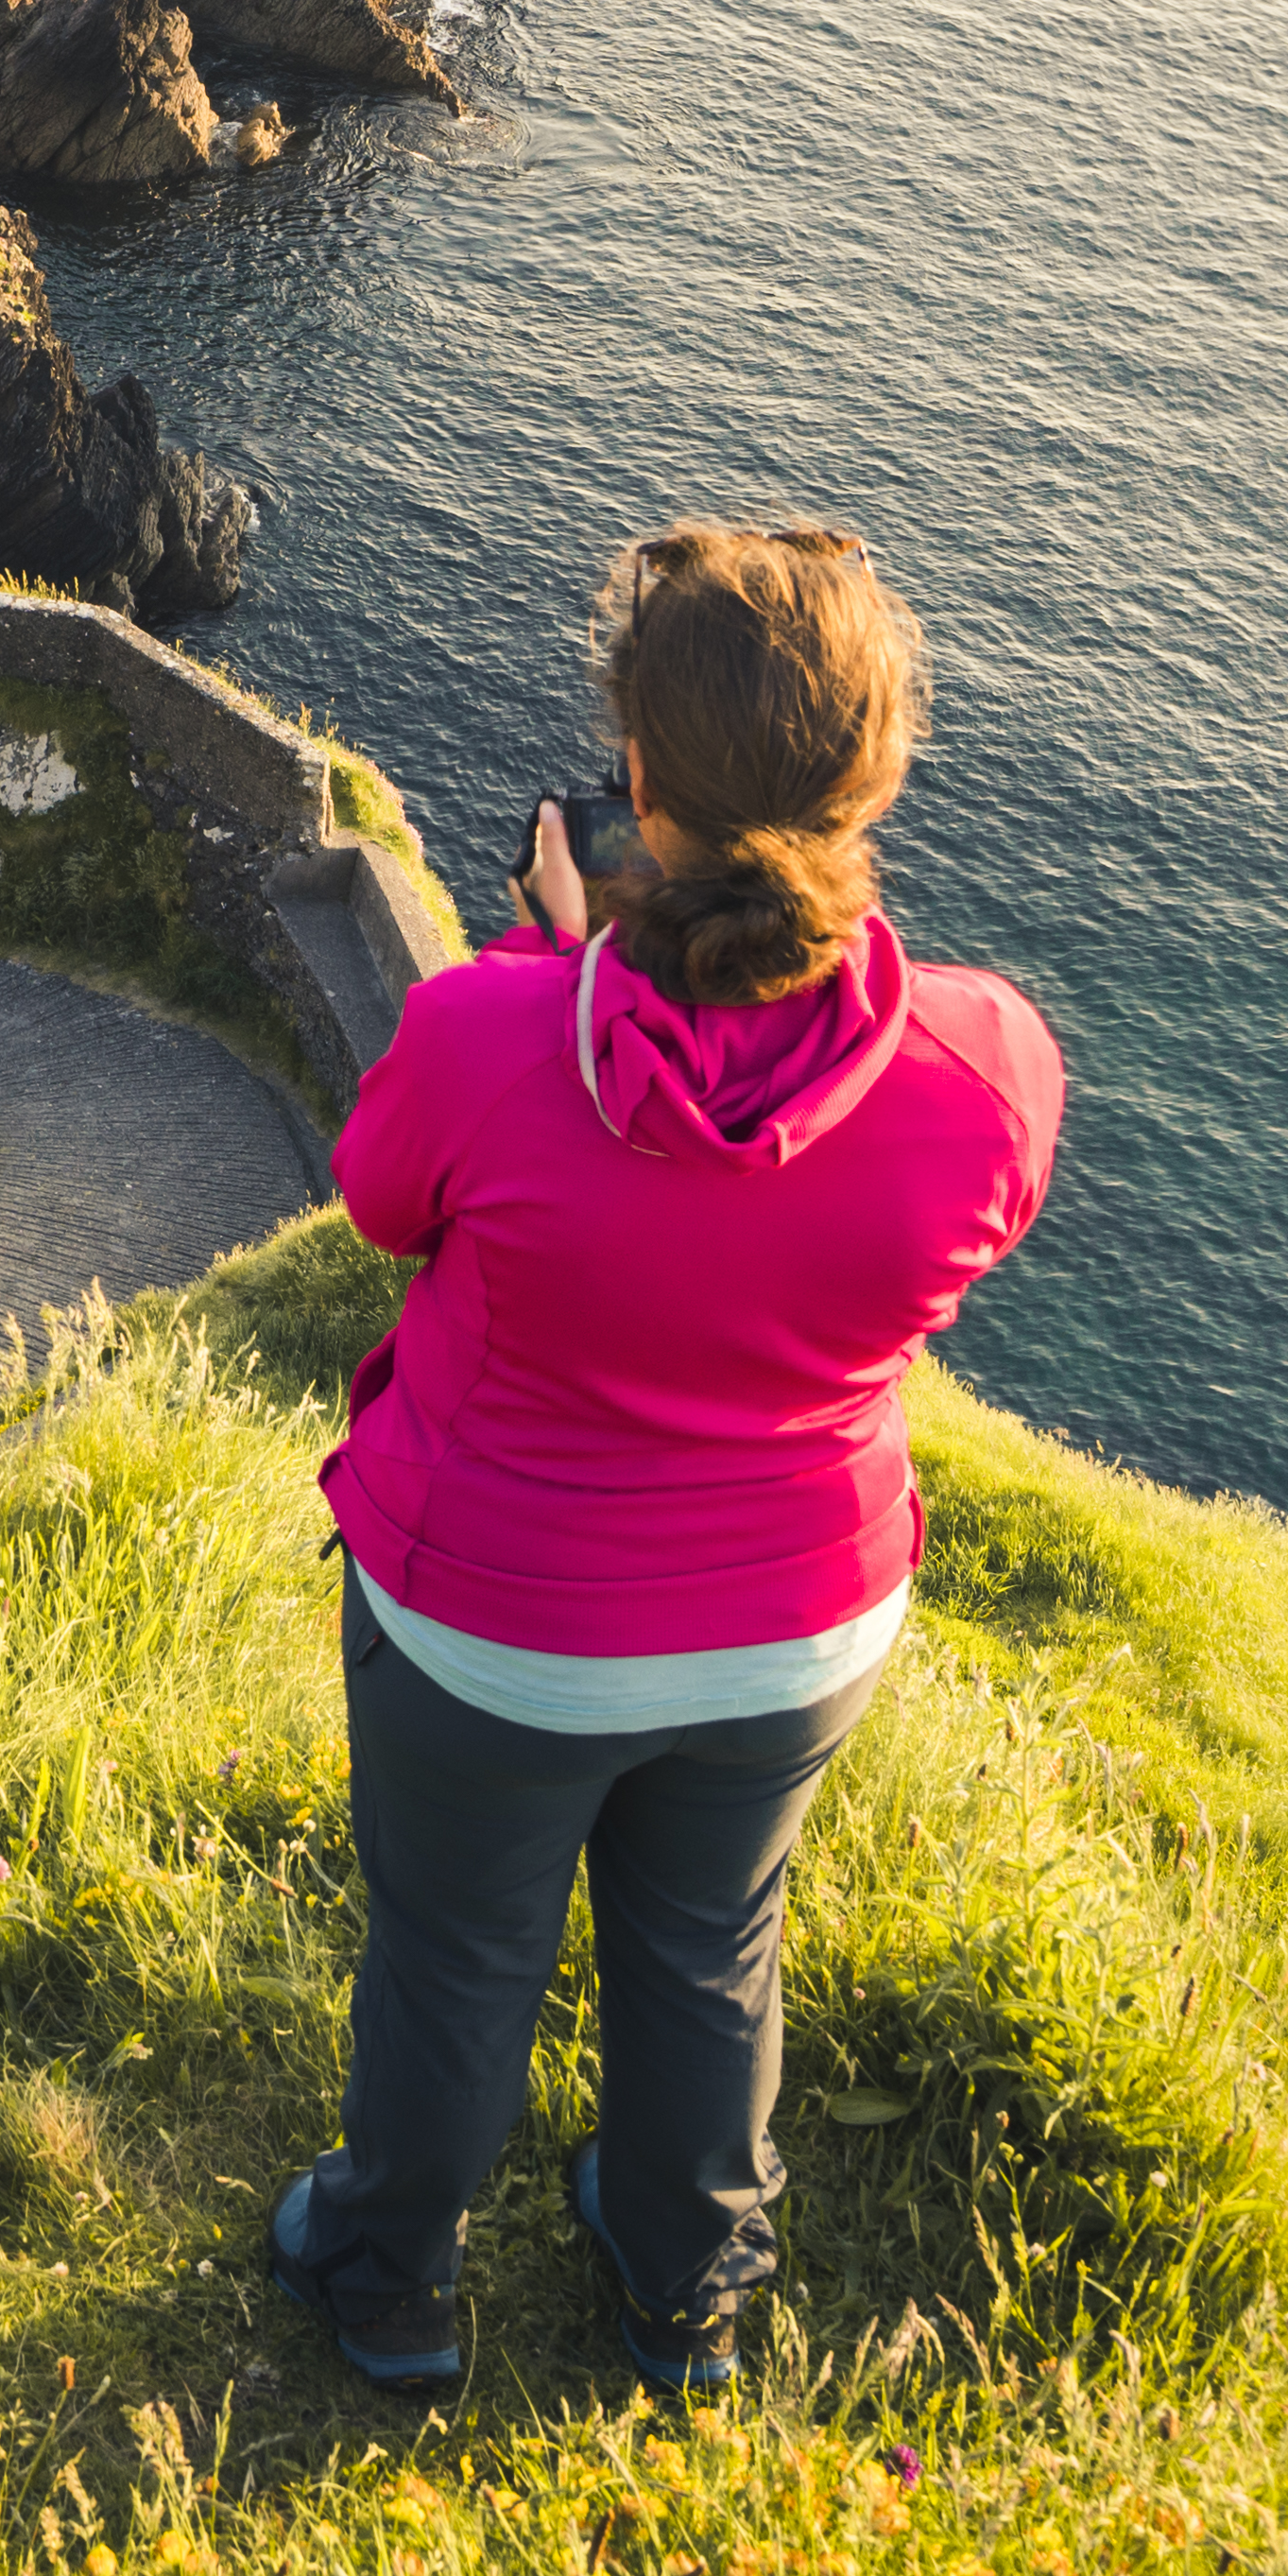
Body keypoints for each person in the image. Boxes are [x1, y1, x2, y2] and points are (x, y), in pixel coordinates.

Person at [260, 517, 1069, 2401]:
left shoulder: (486, 1033)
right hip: (793, 1624)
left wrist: (560, 979)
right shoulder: (991, 1066)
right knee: (709, 1948)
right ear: (876, 779)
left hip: (492, 1619)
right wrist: (600, 989)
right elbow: (817, 1180)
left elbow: (389, 1203)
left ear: (636, 773)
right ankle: (678, 2284)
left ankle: (389, 2280)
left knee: (458, 1957)